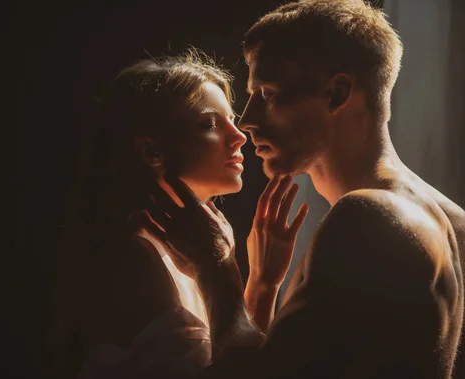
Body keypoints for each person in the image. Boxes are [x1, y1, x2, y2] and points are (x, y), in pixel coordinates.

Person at [162, 0, 464, 378]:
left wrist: (216, 267)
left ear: (337, 93)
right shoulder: (452, 223)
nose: (247, 121)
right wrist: (262, 285)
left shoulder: (371, 218)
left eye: (269, 94)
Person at [49, 49, 308, 379]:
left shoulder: (179, 254)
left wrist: (262, 283)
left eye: (232, 119)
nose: (240, 135)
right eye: (209, 124)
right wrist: (219, 266)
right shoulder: (134, 257)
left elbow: (238, 364)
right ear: (152, 152)